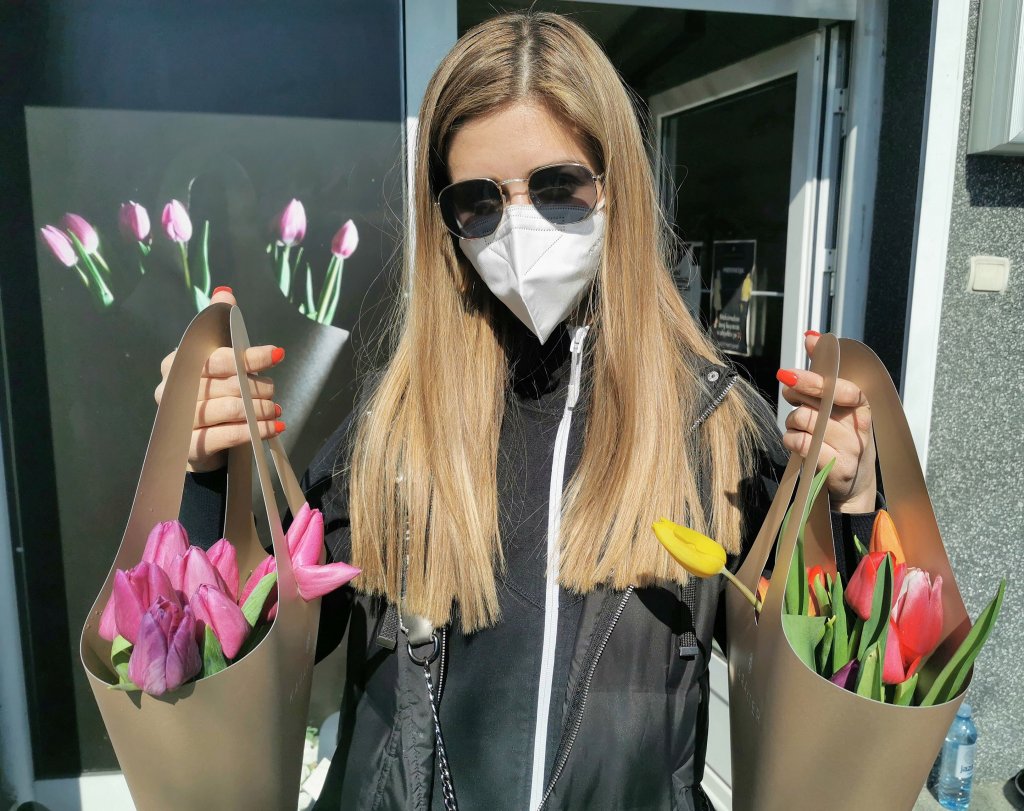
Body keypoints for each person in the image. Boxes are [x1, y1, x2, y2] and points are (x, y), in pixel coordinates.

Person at [159, 12, 878, 810]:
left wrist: (850, 509)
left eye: (559, 186)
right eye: (479, 200)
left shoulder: (712, 427)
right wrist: (206, 475)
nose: (519, 227)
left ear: (617, 185)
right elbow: (275, 643)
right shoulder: (398, 424)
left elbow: (823, 680)